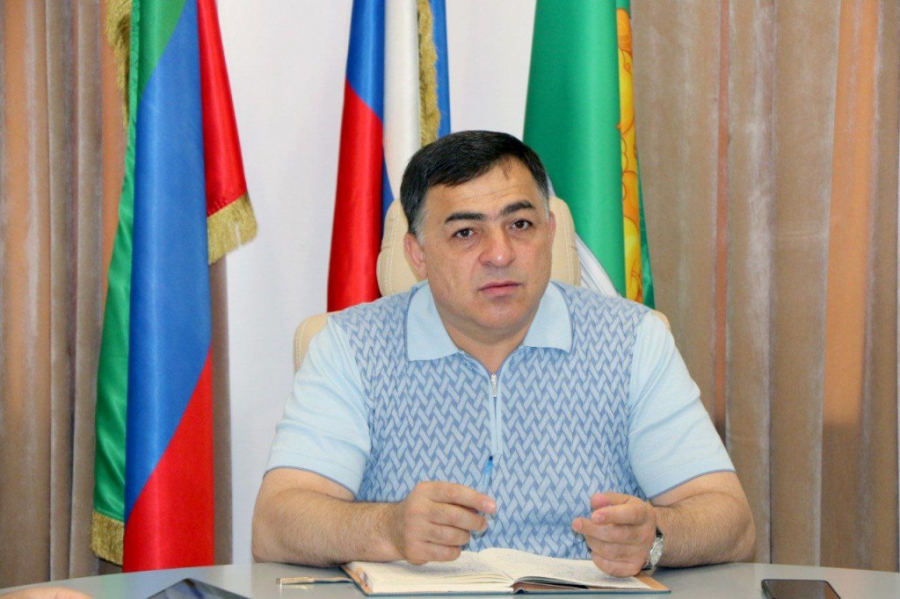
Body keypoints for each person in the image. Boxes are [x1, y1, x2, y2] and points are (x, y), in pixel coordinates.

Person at [253, 131, 754, 576]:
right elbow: (275, 525)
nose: (499, 254)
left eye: (520, 224)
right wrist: (386, 527)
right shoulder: (350, 346)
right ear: (418, 254)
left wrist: (656, 537)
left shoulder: (631, 339)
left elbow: (731, 523)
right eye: (465, 232)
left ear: (550, 233)